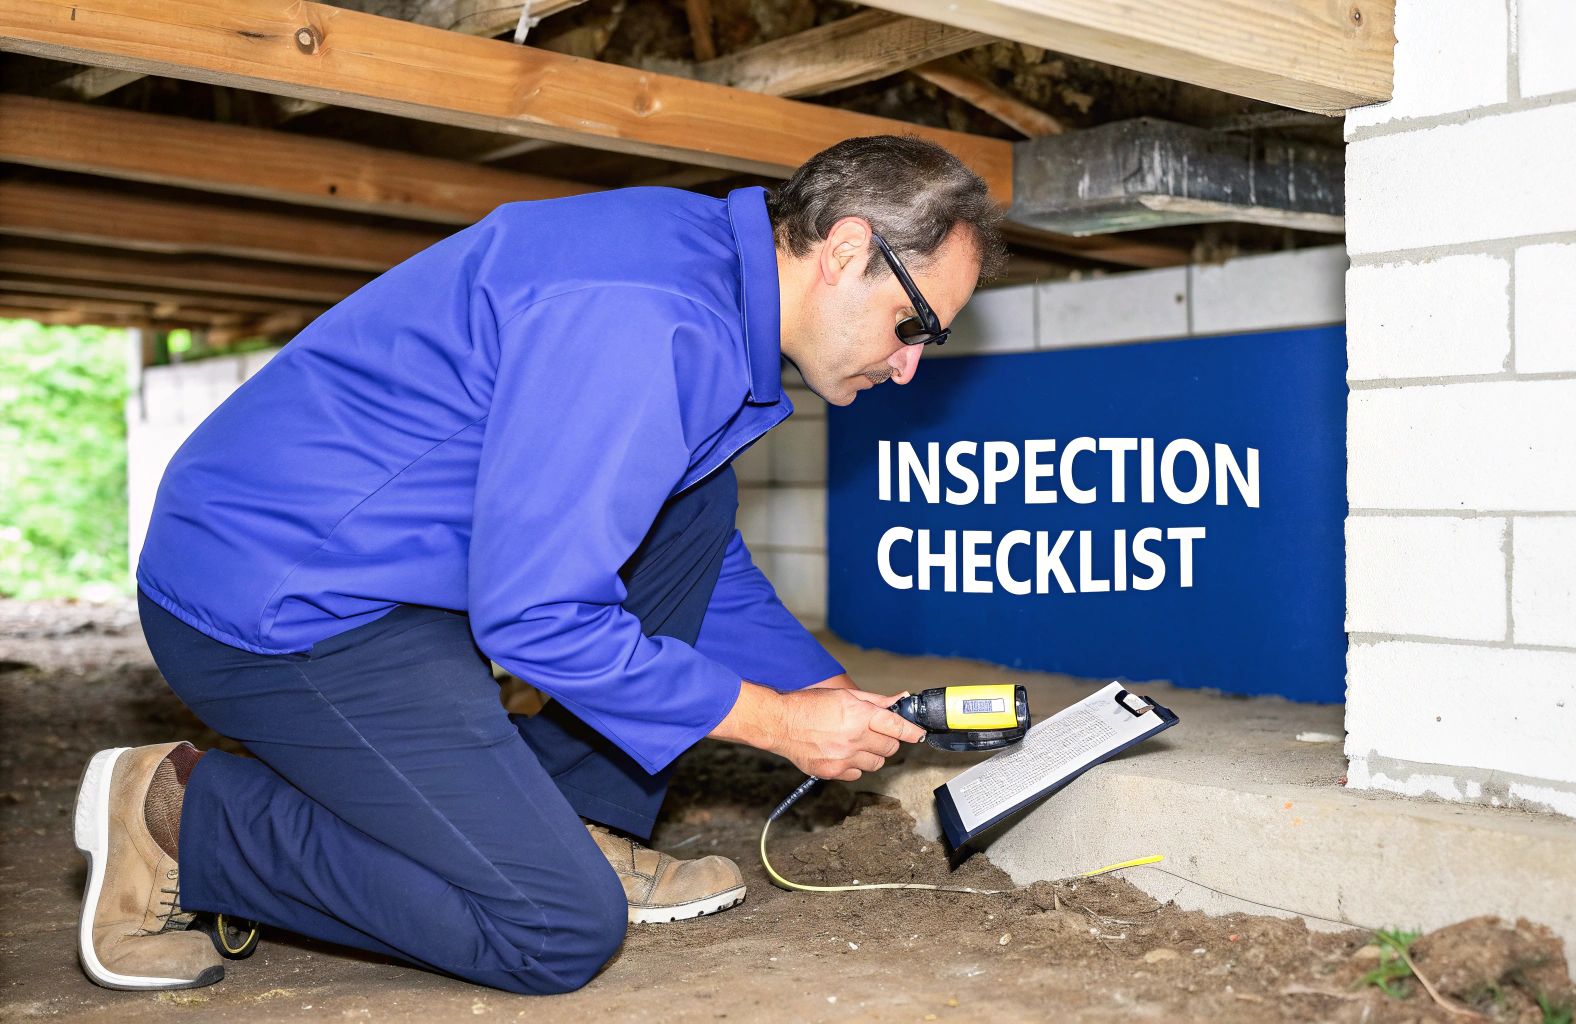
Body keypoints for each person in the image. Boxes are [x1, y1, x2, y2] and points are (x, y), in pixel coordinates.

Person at [73, 135, 1006, 994]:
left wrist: (827, 693)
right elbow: (538, 618)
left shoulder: (708, 274)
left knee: (694, 503)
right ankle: (181, 823)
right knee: (554, 928)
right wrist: (777, 724)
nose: (909, 365)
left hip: (392, 571)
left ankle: (571, 820)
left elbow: (695, 555)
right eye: (913, 323)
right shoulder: (649, 327)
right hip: (279, 600)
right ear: (845, 251)